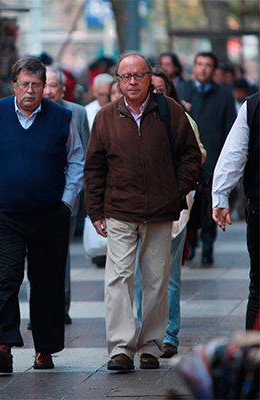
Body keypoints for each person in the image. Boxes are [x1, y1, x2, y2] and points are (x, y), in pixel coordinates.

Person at [84, 52, 200, 371]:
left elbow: (191, 155)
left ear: (150, 78)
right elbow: (93, 168)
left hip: (161, 213)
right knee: (118, 278)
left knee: (156, 281)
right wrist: (95, 211)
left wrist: (176, 190)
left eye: (138, 76)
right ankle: (121, 348)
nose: (132, 82)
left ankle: (150, 345)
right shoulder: (106, 117)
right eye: (125, 77)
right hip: (120, 211)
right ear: (118, 82)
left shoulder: (169, 111)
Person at [0, 57, 84, 372]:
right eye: (25, 84)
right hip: (4, 214)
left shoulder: (61, 117)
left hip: (49, 213)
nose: (30, 90)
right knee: (6, 278)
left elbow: (77, 159)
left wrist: (66, 200)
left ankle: (44, 350)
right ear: (14, 86)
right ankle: (3, 346)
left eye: (36, 84)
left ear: (44, 86)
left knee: (47, 281)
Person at [133, 67, 207, 360]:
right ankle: (145, 332)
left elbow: (198, 154)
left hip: (174, 207)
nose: (155, 95)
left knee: (168, 274)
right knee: (140, 276)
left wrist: (176, 184)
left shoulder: (178, 117)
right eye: (152, 89)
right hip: (137, 207)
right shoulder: (130, 118)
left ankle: (169, 334)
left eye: (160, 90)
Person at [178, 51, 236, 266]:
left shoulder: (223, 95)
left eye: (208, 65)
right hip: (187, 160)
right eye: (199, 64)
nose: (203, 68)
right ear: (194, 66)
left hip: (212, 159)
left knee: (212, 203)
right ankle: (191, 244)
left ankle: (208, 246)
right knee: (188, 204)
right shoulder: (183, 90)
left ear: (213, 69)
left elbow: (230, 129)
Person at [43, 63, 90, 324]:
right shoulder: (33, 111)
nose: (49, 90)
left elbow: (85, 154)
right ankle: (39, 307)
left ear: (63, 88)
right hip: (37, 194)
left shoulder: (77, 113)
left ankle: (61, 305)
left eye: (54, 85)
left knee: (61, 251)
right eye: (45, 84)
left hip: (67, 195)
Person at [212, 92, 259, 330]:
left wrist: (221, 195)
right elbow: (235, 152)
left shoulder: (254, 104)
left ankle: (253, 358)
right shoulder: (252, 105)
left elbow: (235, 153)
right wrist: (220, 195)